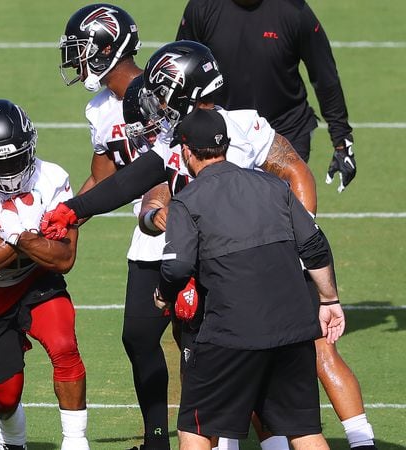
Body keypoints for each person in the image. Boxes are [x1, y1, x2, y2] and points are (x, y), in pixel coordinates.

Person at [45, 40, 377, 450]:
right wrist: (78, 210)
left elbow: (296, 175)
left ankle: (360, 440)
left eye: (159, 92)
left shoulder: (227, 135)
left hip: (234, 281)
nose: (151, 102)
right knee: (282, 401)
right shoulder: (200, 139)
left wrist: (288, 241)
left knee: (219, 399)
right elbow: (139, 188)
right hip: (252, 272)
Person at [155, 107, 346, 450]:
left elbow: (177, 267)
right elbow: (315, 246)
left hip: (229, 333)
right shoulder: (274, 186)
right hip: (293, 330)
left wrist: (162, 293)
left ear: (185, 152)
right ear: (225, 145)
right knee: (304, 431)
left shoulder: (187, 201)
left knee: (196, 429)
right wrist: (329, 300)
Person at [0, 99, 89, 450]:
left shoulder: (52, 177)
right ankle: (11, 439)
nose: (10, 170)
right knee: (6, 394)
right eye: (0, 162)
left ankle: (76, 441)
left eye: (17, 158)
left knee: (64, 346)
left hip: (38, 280)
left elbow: (63, 258)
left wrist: (14, 234)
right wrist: (28, 235)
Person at [58, 4, 171, 449]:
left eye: (81, 49)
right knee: (139, 336)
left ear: (109, 46)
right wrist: (62, 216)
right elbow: (104, 180)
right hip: (149, 233)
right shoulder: (101, 109)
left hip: (200, 224)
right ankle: (158, 440)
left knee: (209, 340)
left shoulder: (166, 89)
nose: (75, 60)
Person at [176, 0, 357, 192]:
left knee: (281, 214)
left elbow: (324, 75)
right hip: (222, 137)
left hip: (286, 131)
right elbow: (181, 69)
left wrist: (342, 141)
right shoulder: (202, 7)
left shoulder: (294, 11)